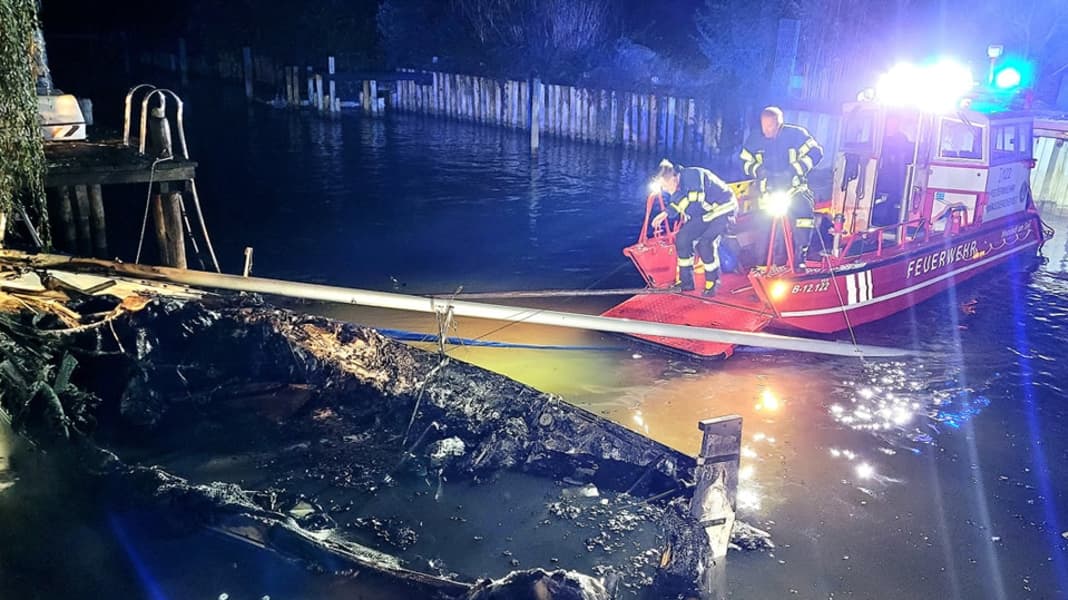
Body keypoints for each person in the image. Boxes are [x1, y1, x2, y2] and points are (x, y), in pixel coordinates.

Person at [739, 106, 823, 271]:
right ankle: (762, 264)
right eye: (764, 126)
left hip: (794, 189)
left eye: (770, 126)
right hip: (768, 192)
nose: (767, 130)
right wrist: (759, 170)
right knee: (764, 227)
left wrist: (793, 170)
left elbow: (816, 152)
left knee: (804, 215)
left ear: (779, 123)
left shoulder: (796, 135)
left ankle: (800, 258)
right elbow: (744, 161)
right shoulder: (755, 139)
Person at [650, 160, 738, 296]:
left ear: (674, 178)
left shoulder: (693, 175)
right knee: (682, 239)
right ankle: (686, 283)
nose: (665, 190)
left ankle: (712, 283)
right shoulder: (678, 185)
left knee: (705, 244)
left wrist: (675, 201)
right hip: (706, 215)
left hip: (723, 211)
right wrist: (665, 213)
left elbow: (695, 206)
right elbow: (684, 205)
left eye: (665, 186)